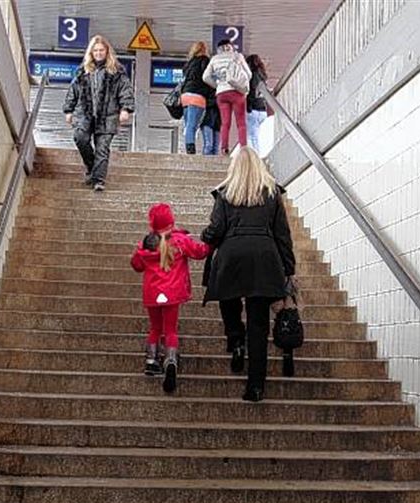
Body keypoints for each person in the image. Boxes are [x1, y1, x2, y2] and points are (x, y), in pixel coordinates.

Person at [201, 147, 295, 402]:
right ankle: (255, 386)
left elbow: (216, 229)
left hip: (232, 256)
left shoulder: (225, 193)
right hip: (264, 259)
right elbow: (282, 235)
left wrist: (204, 236)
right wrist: (288, 269)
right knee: (259, 323)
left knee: (228, 298)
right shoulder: (272, 193)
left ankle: (235, 339)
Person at [131, 203, 211, 393]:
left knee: (155, 328)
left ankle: (151, 360)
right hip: (172, 294)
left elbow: (136, 264)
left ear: (152, 224)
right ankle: (171, 359)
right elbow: (201, 252)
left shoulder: (146, 244)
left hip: (152, 293)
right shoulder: (181, 241)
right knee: (170, 329)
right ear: (171, 220)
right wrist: (212, 242)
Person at [63, 35, 135, 191]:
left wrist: (125, 109)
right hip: (85, 115)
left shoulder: (117, 72)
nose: (98, 53)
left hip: (107, 116)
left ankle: (98, 180)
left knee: (102, 148)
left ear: (107, 51)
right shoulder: (83, 71)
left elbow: (126, 91)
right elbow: (73, 91)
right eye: (95, 50)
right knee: (80, 138)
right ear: (91, 52)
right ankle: (91, 167)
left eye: (101, 50)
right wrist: (68, 110)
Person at [202, 39, 251, 154]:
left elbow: (205, 77)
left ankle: (224, 148)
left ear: (219, 48)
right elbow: (249, 74)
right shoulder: (238, 56)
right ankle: (243, 148)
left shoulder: (214, 59)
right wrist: (241, 82)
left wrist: (217, 85)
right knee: (241, 123)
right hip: (237, 92)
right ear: (230, 47)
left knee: (225, 122)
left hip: (222, 93)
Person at [180, 42, 215, 155]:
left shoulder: (188, 64)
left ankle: (189, 147)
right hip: (197, 97)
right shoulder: (205, 61)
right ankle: (191, 150)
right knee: (192, 125)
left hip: (185, 96)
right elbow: (207, 78)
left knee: (188, 125)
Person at [245, 54, 269, 149]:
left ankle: (255, 157)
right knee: (255, 135)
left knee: (252, 136)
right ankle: (256, 155)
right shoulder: (263, 76)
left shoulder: (253, 75)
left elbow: (252, 91)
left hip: (253, 109)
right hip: (262, 109)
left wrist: (248, 107)